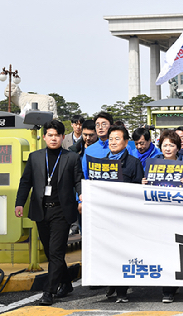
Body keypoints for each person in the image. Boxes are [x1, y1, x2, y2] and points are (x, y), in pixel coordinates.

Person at [15, 120, 83, 306]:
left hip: (62, 210)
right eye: (50, 135)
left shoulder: (71, 158)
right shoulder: (35, 157)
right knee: (50, 251)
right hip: (41, 209)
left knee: (55, 251)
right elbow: (25, 182)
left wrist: (82, 196)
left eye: (57, 135)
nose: (54, 138)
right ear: (44, 137)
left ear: (63, 137)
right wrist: (19, 203)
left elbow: (79, 180)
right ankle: (67, 284)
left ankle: (48, 292)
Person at [142, 130, 183, 303]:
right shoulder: (152, 163)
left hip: (179, 212)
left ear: (178, 147)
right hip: (159, 212)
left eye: (171, 145)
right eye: (165, 145)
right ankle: (168, 286)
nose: (168, 148)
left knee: (175, 249)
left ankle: (169, 289)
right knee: (163, 248)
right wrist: (143, 183)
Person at [103, 125, 144, 303]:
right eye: (110, 139)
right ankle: (112, 282)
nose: (113, 142)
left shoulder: (134, 163)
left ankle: (122, 291)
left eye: (117, 139)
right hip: (105, 214)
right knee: (109, 251)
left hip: (126, 215)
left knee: (122, 252)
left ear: (126, 142)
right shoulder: (101, 162)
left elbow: (139, 190)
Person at [82, 112, 114, 178]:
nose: (100, 128)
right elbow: (85, 173)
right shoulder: (89, 150)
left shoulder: (123, 147)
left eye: (104, 124)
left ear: (111, 126)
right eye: (97, 125)